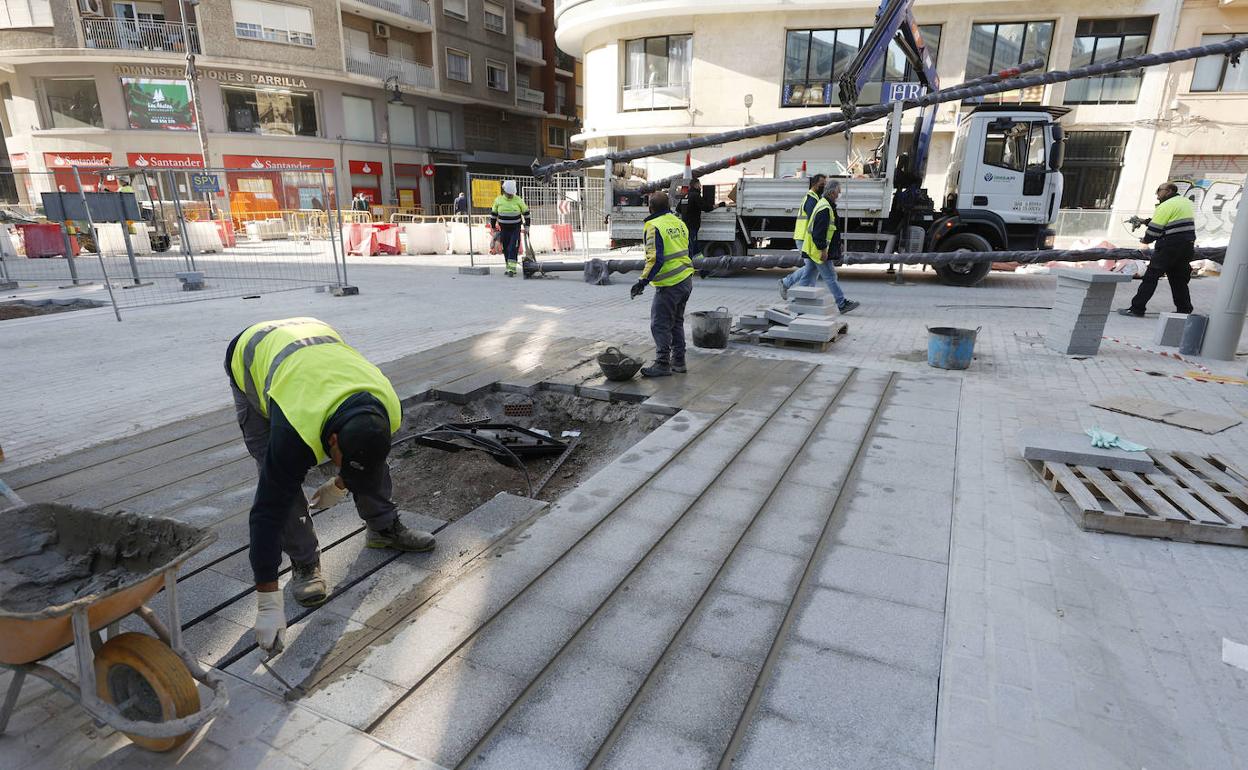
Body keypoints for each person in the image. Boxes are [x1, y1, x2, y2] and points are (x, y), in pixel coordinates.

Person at [225, 317, 436, 653]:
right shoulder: (294, 430)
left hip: (313, 345)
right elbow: (265, 513)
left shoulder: (388, 410)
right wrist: (268, 600)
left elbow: (365, 458)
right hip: (252, 358)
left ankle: (383, 529)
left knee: (365, 453)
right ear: (332, 439)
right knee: (276, 472)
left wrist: (340, 484)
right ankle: (305, 562)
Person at [631, 191, 695, 377]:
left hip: (670, 284)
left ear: (650, 208)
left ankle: (662, 363)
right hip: (686, 280)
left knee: (659, 324)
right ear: (668, 207)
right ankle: (679, 362)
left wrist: (642, 282)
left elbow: (655, 259)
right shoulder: (679, 223)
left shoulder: (653, 226)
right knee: (676, 322)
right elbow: (689, 250)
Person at [1118, 183, 1196, 317]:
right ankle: (1184, 310)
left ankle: (1137, 308)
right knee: (1178, 280)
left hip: (1168, 247)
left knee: (1150, 278)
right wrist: (1144, 221)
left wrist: (1145, 240)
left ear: (1169, 191)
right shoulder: (1185, 202)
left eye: (1159, 190)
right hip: (1187, 246)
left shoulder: (1165, 206)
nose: (1157, 194)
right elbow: (1172, 220)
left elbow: (1155, 230)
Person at [792, 181, 860, 314]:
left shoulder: (826, 205)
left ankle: (797, 302)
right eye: (839, 191)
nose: (840, 194)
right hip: (817, 250)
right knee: (830, 276)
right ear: (832, 192)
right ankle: (841, 303)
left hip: (813, 249)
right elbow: (819, 233)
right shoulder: (825, 208)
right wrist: (823, 250)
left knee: (808, 275)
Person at [779, 174, 826, 298]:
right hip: (804, 238)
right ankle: (791, 286)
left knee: (813, 266)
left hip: (805, 237)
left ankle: (807, 293)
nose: (824, 186)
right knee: (812, 266)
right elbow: (814, 220)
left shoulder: (814, 198)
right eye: (822, 184)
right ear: (815, 184)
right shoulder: (811, 200)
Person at [490, 180, 531, 277]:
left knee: (513, 247)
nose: (510, 196)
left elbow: (526, 213)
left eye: (512, 194)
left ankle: (511, 270)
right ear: (504, 191)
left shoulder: (518, 200)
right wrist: (493, 227)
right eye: (509, 194)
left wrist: (527, 226)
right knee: (506, 248)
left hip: (515, 229)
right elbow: (493, 215)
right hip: (503, 229)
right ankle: (508, 266)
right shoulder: (498, 200)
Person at [679, 178, 714, 257]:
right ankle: (693, 263)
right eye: (699, 184)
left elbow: (678, 209)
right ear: (695, 185)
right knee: (692, 245)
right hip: (693, 225)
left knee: (691, 244)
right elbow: (706, 208)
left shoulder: (685, 196)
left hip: (685, 225)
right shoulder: (695, 195)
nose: (700, 186)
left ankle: (696, 262)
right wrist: (718, 205)